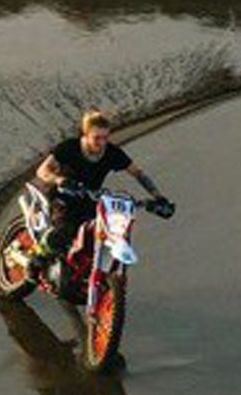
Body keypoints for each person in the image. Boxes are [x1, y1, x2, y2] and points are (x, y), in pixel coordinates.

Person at [30, 107, 173, 281]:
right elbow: (42, 171)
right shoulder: (69, 148)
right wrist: (60, 180)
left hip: (92, 199)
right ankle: (35, 260)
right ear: (86, 134)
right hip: (63, 197)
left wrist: (158, 197)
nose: (101, 142)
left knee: (102, 233)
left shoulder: (112, 153)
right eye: (97, 138)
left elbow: (138, 173)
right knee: (64, 230)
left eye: (105, 137)